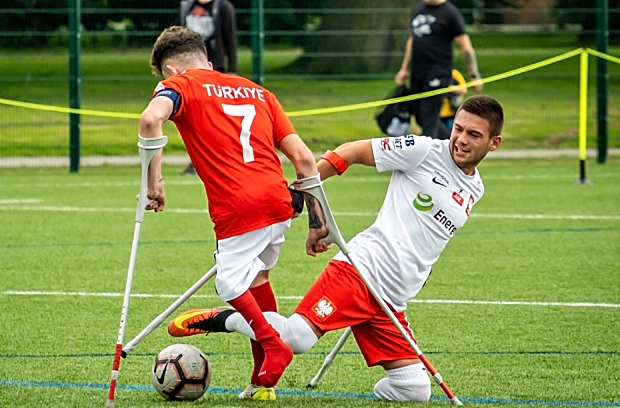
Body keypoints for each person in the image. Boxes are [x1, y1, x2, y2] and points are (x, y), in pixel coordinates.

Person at [168, 95, 504, 402]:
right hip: (361, 270)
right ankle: (223, 319)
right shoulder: (423, 150)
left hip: (392, 299)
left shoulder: (477, 188)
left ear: (493, 143)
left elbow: (429, 235)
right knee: (296, 340)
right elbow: (349, 153)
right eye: (458, 128)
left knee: (413, 391)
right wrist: (302, 196)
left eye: (474, 135)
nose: (460, 139)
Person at [140, 26, 330, 401]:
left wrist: (154, 181)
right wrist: (317, 221)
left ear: (171, 70)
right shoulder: (257, 92)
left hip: (238, 206)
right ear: (209, 62)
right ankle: (262, 384)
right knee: (258, 281)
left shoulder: (180, 86)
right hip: (279, 203)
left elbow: (150, 121)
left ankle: (274, 346)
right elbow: (305, 159)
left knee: (229, 284)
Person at [395, 0, 483, 140]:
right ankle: (453, 145)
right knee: (420, 117)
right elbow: (413, 40)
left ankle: (428, 158)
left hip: (438, 72)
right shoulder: (418, 9)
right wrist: (404, 69)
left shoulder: (450, 13)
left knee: (428, 118)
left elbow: (465, 45)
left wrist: (474, 75)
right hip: (418, 72)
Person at [179, 0, 238, 175]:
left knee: (216, 118)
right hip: (190, 71)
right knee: (194, 117)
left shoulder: (222, 7)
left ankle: (223, 158)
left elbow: (230, 38)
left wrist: (232, 70)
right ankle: (196, 160)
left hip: (215, 70)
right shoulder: (187, 6)